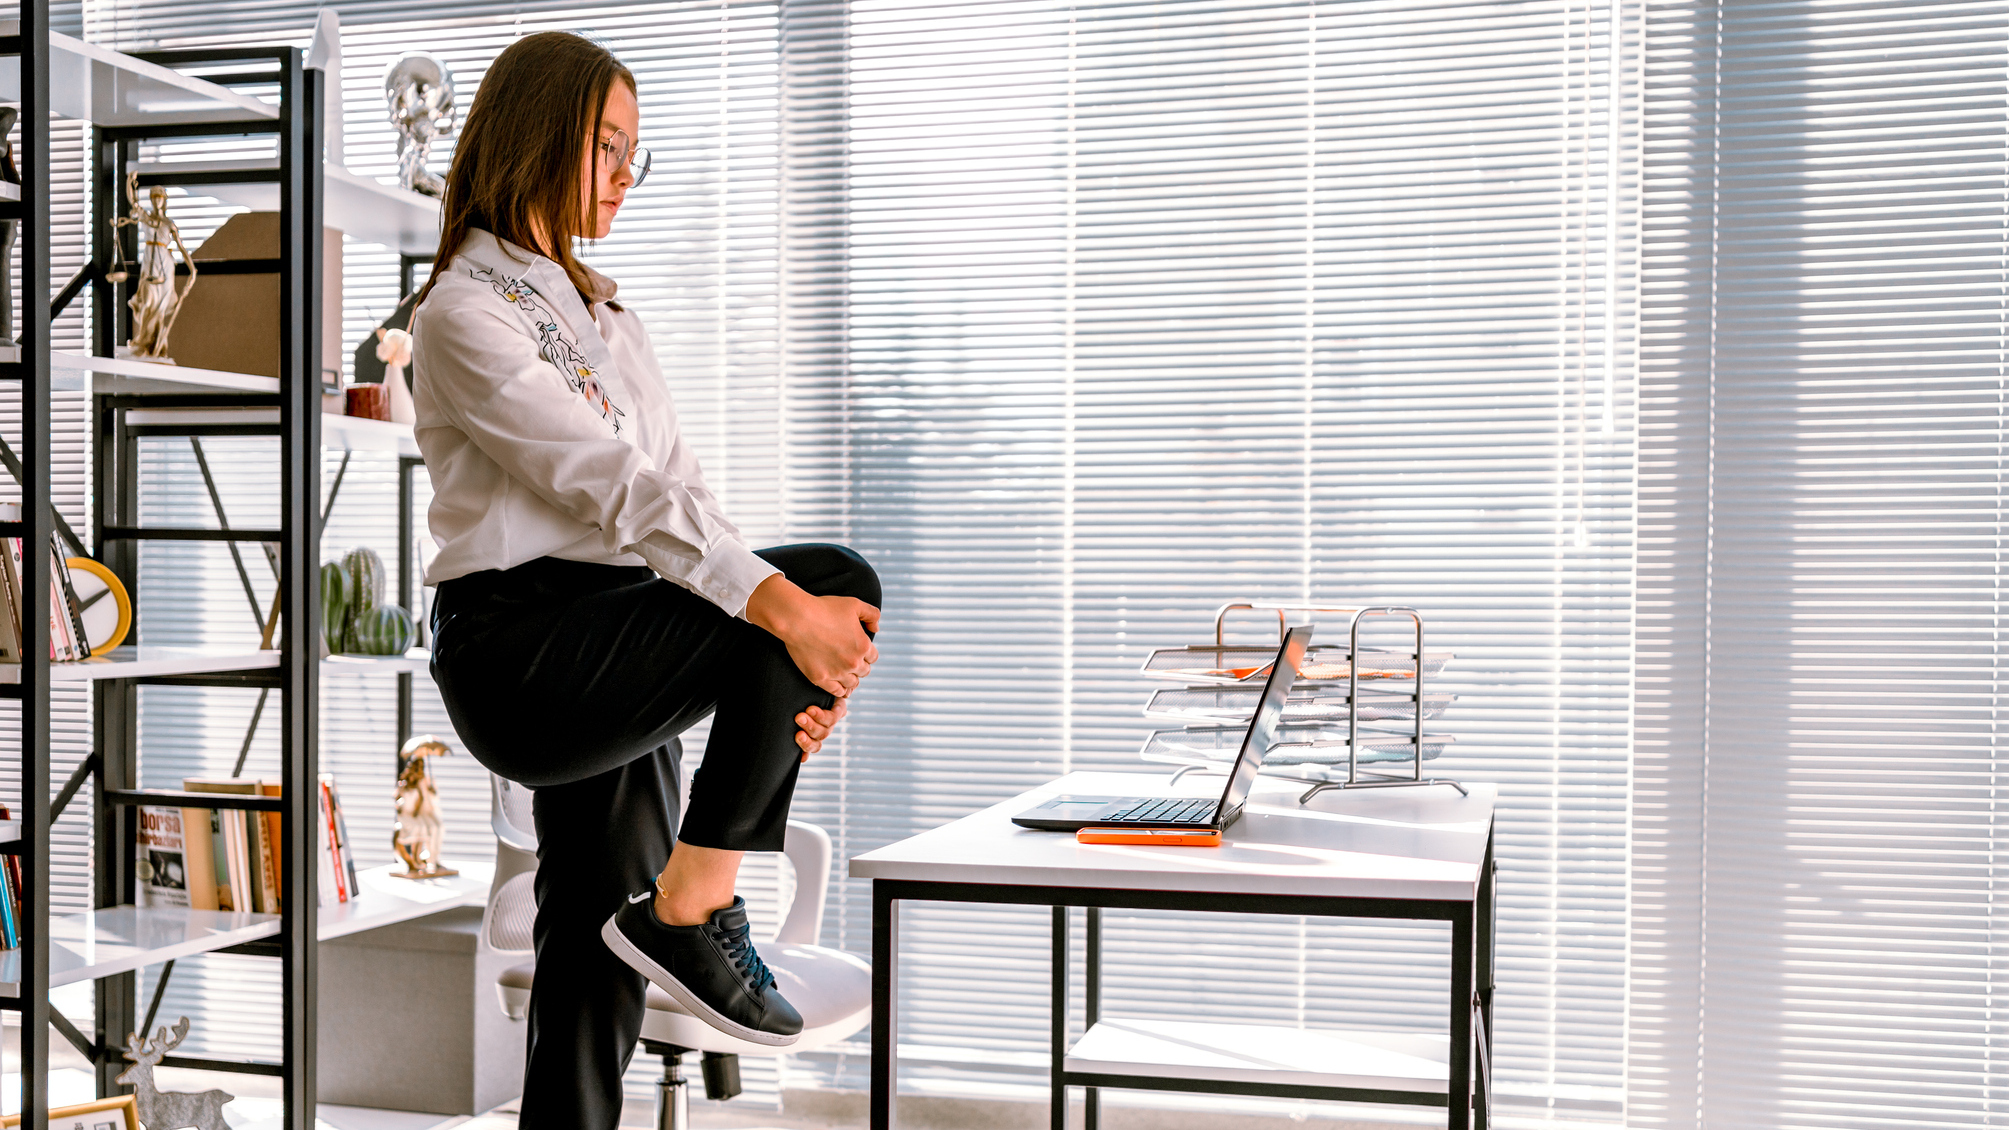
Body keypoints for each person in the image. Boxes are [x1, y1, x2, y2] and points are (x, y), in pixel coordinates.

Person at [409, 31, 881, 1129]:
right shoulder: (461, 310)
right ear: (537, 137)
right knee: (824, 577)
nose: (627, 173)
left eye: (636, 152)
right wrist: (781, 615)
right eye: (608, 146)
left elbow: (689, 495)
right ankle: (697, 903)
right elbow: (607, 482)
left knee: (592, 948)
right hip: (521, 651)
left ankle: (668, 920)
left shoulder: (612, 319)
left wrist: (794, 672)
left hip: (613, 631)